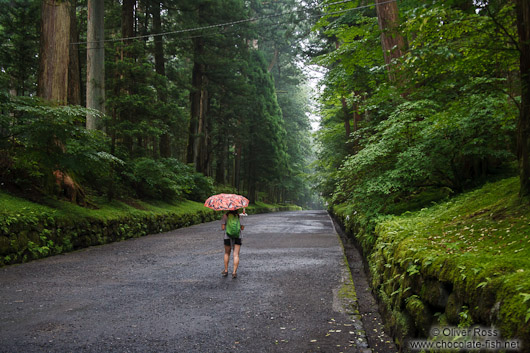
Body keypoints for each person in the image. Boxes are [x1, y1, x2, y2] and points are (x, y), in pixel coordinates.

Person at [221, 210, 245, 279]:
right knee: (236, 254)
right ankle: (234, 272)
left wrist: (227, 226)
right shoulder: (239, 216)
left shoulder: (225, 216)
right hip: (238, 236)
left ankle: (226, 270)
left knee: (227, 253)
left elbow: (223, 228)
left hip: (227, 237)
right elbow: (242, 228)